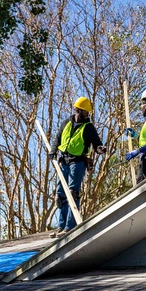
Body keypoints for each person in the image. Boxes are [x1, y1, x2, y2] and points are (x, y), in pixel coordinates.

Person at [51, 95, 106, 237]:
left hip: (78, 162)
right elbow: (57, 138)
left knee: (73, 193)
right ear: (78, 110)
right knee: (60, 195)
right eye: (85, 112)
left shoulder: (88, 128)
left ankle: (70, 227)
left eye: (88, 113)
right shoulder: (66, 123)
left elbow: (97, 144)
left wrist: (101, 149)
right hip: (63, 160)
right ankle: (61, 227)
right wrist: (53, 151)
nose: (87, 115)